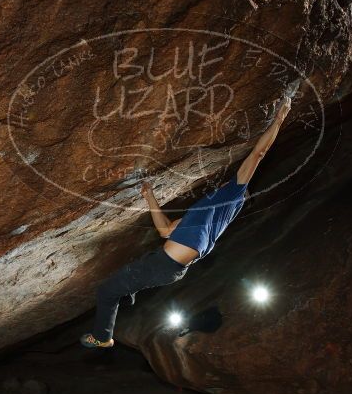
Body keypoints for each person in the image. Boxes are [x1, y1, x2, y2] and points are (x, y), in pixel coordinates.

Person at [80, 96, 294, 348]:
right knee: (127, 281)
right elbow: (165, 230)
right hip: (166, 267)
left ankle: (103, 337)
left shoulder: (231, 196)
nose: (226, 181)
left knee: (106, 292)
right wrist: (150, 196)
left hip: (164, 265)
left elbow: (258, 154)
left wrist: (280, 117)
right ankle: (129, 295)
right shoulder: (205, 214)